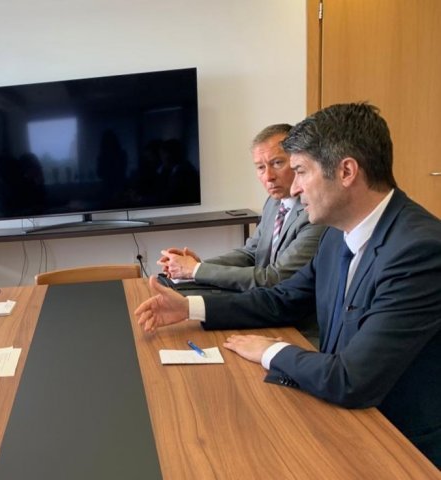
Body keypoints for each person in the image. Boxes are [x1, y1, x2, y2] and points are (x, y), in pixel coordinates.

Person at [135, 103, 441, 468]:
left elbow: (352, 379)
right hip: (342, 413)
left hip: (399, 442)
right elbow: (283, 299)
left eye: (300, 171)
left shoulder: (419, 250)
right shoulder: (337, 233)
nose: (293, 188)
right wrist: (189, 308)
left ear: (346, 171)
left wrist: (272, 351)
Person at [158, 124, 325, 292]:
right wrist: (197, 265)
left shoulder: (314, 213)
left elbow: (274, 278)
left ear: (297, 161)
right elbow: (251, 254)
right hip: (262, 295)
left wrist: (195, 270)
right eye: (260, 167)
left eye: (277, 163)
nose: (268, 176)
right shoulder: (273, 203)